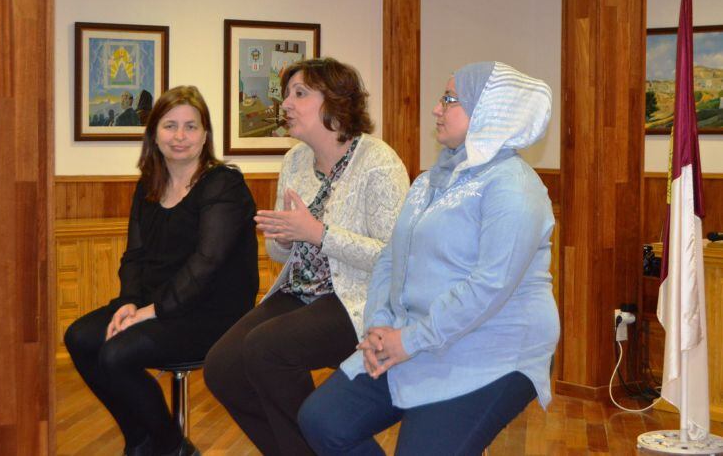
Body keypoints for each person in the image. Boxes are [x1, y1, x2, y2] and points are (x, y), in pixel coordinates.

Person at [298, 62, 560, 455]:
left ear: (488, 111)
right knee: (323, 420)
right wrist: (378, 327)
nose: (437, 109)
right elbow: (391, 257)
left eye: (450, 99)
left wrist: (410, 340)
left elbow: (490, 287)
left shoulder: (515, 187)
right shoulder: (428, 180)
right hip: (410, 337)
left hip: (492, 351)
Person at [203, 58, 409, 456]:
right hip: (300, 293)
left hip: (358, 300)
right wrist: (282, 235)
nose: (287, 105)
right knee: (222, 367)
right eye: (287, 95)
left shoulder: (378, 162)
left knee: (266, 349)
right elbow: (282, 255)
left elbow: (393, 258)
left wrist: (317, 233)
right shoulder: (294, 160)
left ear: (335, 102)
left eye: (300, 94)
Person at [64, 85, 258, 456]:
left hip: (212, 313)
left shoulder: (223, 184)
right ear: (154, 133)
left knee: (117, 354)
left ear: (205, 135)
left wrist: (147, 313)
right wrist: (127, 303)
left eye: (191, 126)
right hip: (155, 304)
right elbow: (134, 255)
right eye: (170, 126)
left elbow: (206, 265)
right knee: (80, 337)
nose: (180, 136)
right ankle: (141, 442)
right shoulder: (148, 184)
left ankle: (172, 448)